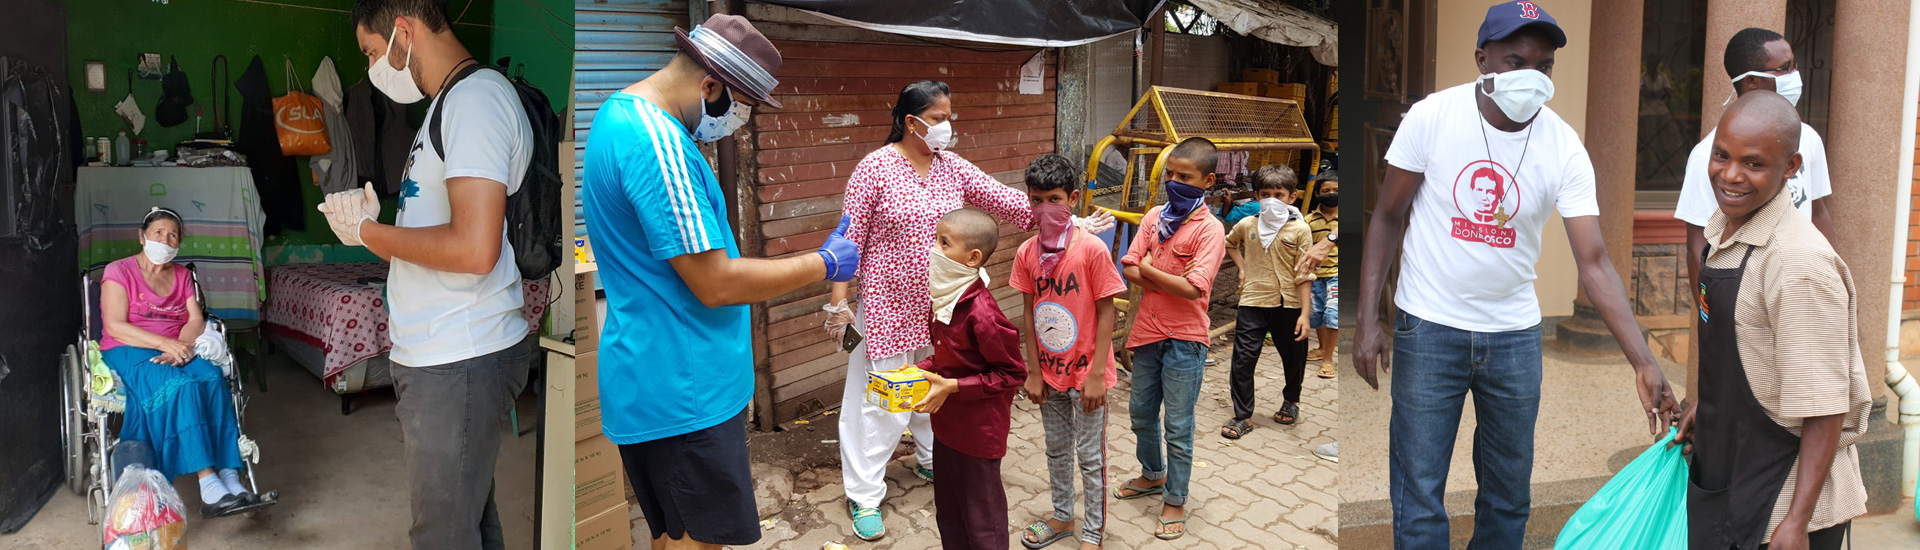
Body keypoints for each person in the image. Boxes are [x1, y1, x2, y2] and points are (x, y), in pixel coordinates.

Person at [1351, 2, 1681, 547]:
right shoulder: (1432, 117)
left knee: (1508, 498)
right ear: (1482, 59)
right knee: (1419, 496)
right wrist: (1368, 320)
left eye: (1544, 65)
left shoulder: (1564, 145)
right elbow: (1387, 216)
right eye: (1514, 61)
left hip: (1515, 338)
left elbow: (1593, 260)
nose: (1532, 76)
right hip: (1429, 328)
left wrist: (1644, 362)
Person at [578, 14, 861, 550]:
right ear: (710, 86)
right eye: (740, 109)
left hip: (670, 379)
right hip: (683, 390)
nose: (738, 124)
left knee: (676, 532)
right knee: (695, 540)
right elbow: (716, 282)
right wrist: (826, 262)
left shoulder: (621, 116)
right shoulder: (656, 144)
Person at [824, 79, 1111, 540]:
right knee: (876, 403)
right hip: (887, 306)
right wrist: (839, 305)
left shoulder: (951, 168)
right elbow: (847, 241)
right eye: (938, 118)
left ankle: (929, 460)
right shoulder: (874, 170)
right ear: (910, 120)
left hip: (945, 308)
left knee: (934, 389)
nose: (946, 127)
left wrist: (1068, 221)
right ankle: (864, 494)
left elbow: (1009, 202)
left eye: (948, 117)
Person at [323, 2, 540, 547]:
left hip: (459, 355)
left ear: (403, 31)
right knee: (468, 522)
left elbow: (473, 250)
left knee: (442, 535)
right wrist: (377, 225)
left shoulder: (476, 101)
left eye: (372, 53)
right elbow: (442, 235)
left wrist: (368, 234)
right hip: (441, 356)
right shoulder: (447, 104)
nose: (374, 69)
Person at [1671, 91, 1870, 550]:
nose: (1731, 175)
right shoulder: (1724, 229)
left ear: (1791, 167)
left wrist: (1796, 523)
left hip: (1784, 503)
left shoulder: (1796, 263)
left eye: (1754, 164)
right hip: (1731, 473)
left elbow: (1824, 405)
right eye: (1721, 156)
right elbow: (1747, 348)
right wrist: (1715, 403)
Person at [99, 207, 255, 520]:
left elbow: (196, 319)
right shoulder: (119, 271)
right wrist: (163, 344)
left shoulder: (183, 276)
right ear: (142, 236)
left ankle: (229, 475)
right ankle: (208, 483)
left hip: (178, 345)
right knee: (179, 386)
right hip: (129, 348)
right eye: (158, 232)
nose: (166, 239)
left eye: (173, 235)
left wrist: (180, 347)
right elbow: (115, 325)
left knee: (211, 379)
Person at [1110, 136, 1228, 540]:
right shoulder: (1153, 217)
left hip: (1186, 341)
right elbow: (1128, 266)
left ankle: (1176, 498)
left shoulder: (1211, 231)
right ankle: (1152, 474)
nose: (1174, 181)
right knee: (1141, 414)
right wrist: (1159, 275)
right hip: (1146, 335)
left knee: (1178, 426)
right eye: (1171, 174)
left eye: (1185, 176)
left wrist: (1150, 271)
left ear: (1207, 180)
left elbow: (1195, 289)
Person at [1009, 154, 1125, 550]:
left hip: (1086, 374)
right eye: (1037, 200)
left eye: (1054, 199)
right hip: (1049, 373)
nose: (1045, 209)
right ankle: (1062, 517)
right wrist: (1034, 371)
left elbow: (1107, 312)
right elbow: (1028, 312)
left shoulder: (1091, 250)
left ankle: (1093, 533)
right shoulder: (1027, 253)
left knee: (1090, 457)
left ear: (1073, 198)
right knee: (1057, 450)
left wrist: (1096, 375)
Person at [1675, 27, 1836, 292]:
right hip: (1746, 294)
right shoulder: (1708, 156)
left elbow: (1817, 211)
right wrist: (1709, 319)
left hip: (1802, 286)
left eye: (1794, 66)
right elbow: (1697, 247)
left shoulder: (1808, 139)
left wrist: (1835, 280)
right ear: (1751, 81)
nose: (1794, 76)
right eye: (1783, 69)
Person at [909, 208, 1028, 550]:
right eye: (936, 239)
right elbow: (951, 356)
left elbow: (1012, 373)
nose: (933, 249)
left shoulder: (984, 314)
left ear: (973, 257)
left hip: (978, 435)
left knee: (983, 524)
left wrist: (955, 387)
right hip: (946, 427)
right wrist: (923, 368)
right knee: (950, 514)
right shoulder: (947, 300)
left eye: (944, 243)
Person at [1220, 165, 1315, 439]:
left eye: (1279, 194)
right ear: (1256, 196)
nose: (1272, 200)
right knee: (1243, 359)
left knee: (1294, 357)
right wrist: (1241, 267)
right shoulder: (1248, 224)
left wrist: (1305, 315)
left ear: (1292, 197)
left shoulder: (1300, 229)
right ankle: (1243, 415)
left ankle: (1291, 400)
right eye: (1265, 194)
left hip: (1290, 305)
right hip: (1253, 300)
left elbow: (1305, 273)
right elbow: (1229, 243)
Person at [1304, 172, 1339, 379]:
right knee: (1317, 315)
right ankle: (1321, 348)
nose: (1331, 194)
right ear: (1317, 194)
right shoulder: (1308, 221)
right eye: (1326, 191)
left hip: (1337, 275)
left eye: (1336, 191)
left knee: (1333, 315)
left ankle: (1328, 358)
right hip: (1316, 276)